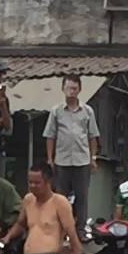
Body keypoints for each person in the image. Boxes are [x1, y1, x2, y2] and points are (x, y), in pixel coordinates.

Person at [45, 75, 101, 228]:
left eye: (75, 88)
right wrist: (50, 158)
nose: (71, 91)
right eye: (69, 88)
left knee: (82, 197)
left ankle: (80, 229)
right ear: (63, 89)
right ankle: (60, 228)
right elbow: (50, 136)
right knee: (60, 197)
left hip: (82, 160)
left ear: (80, 90)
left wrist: (93, 158)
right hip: (62, 160)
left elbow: (93, 136)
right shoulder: (56, 111)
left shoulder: (87, 111)